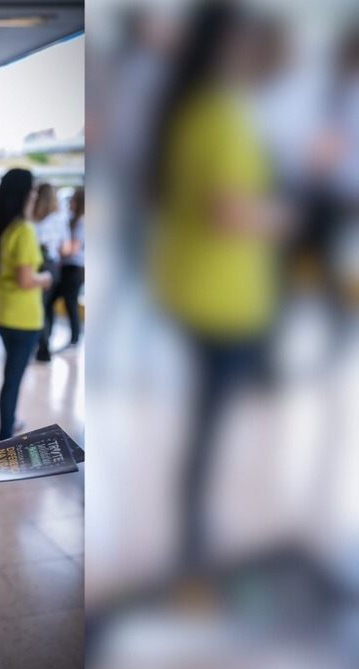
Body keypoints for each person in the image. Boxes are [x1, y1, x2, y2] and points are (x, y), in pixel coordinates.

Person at [145, 0, 291, 567]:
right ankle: (206, 541)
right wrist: (293, 215)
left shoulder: (184, 111)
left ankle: (200, 532)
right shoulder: (225, 113)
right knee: (223, 423)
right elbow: (231, 211)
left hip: (191, 287)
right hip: (229, 295)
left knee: (213, 418)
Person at [0, 168, 53, 441]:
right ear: (25, 193)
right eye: (33, 189)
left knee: (10, 375)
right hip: (22, 318)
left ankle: (11, 420)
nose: (36, 194)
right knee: (12, 378)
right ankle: (5, 432)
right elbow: (26, 280)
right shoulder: (23, 230)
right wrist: (46, 277)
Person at [31, 183, 68, 361]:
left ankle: (42, 347)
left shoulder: (34, 218)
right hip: (52, 265)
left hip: (38, 265)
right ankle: (45, 344)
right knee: (47, 307)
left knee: (40, 308)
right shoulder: (60, 217)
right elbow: (65, 246)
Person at [46, 187, 86, 350]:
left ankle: (75, 339)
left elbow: (73, 248)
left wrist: (54, 246)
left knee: (70, 302)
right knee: (57, 302)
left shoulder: (82, 221)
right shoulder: (72, 219)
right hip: (67, 267)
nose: (70, 203)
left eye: (73, 200)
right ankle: (51, 335)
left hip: (74, 267)